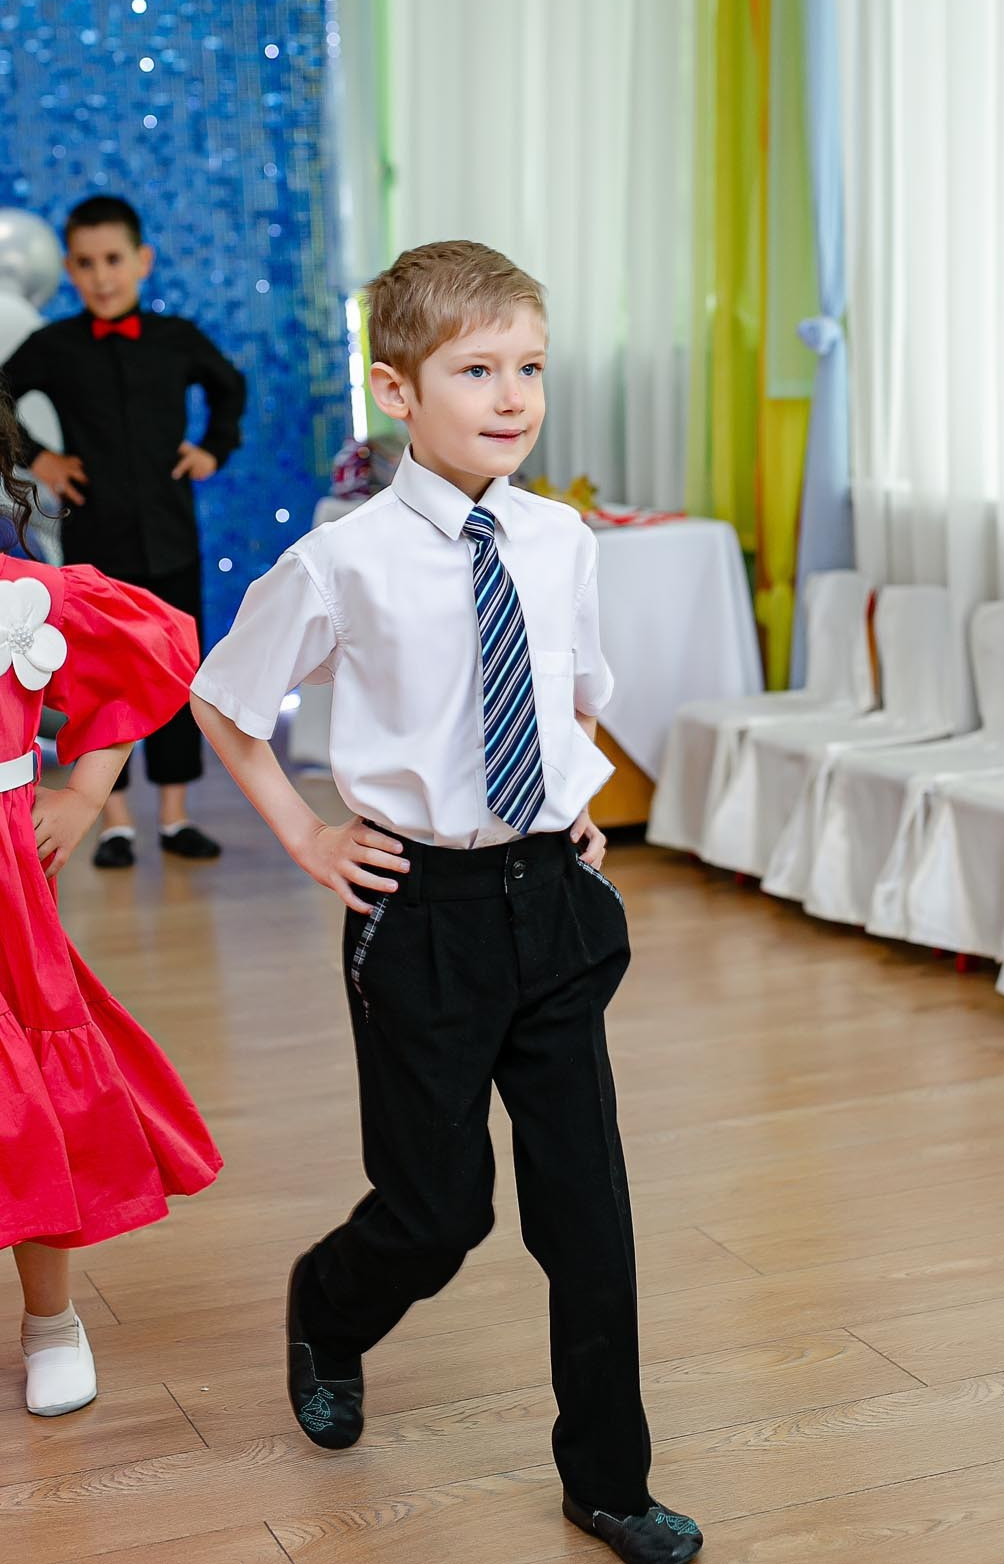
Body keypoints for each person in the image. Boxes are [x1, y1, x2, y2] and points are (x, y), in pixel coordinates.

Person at [190, 242, 703, 1563]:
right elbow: (225, 705)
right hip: (418, 910)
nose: (512, 393)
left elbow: (569, 686)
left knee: (585, 1206)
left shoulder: (559, 537)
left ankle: (607, 1479)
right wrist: (307, 837)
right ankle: (328, 1303)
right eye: (476, 368)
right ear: (395, 391)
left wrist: (571, 792)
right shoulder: (343, 559)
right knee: (440, 1210)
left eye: (529, 366)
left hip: (552, 896)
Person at [0, 392, 222, 1417]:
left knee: (26, 1096)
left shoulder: (19, 597)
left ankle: (52, 1317)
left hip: (6, 909)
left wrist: (84, 791)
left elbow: (149, 646)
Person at [2, 195, 245, 869]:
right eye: (85, 263)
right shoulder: (53, 347)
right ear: (70, 273)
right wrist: (37, 459)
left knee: (174, 672)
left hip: (171, 537)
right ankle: (111, 822)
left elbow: (230, 387)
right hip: (94, 547)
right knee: (99, 679)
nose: (102, 276)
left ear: (142, 261)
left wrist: (212, 450)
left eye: (113, 260)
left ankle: (173, 816)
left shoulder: (176, 340)